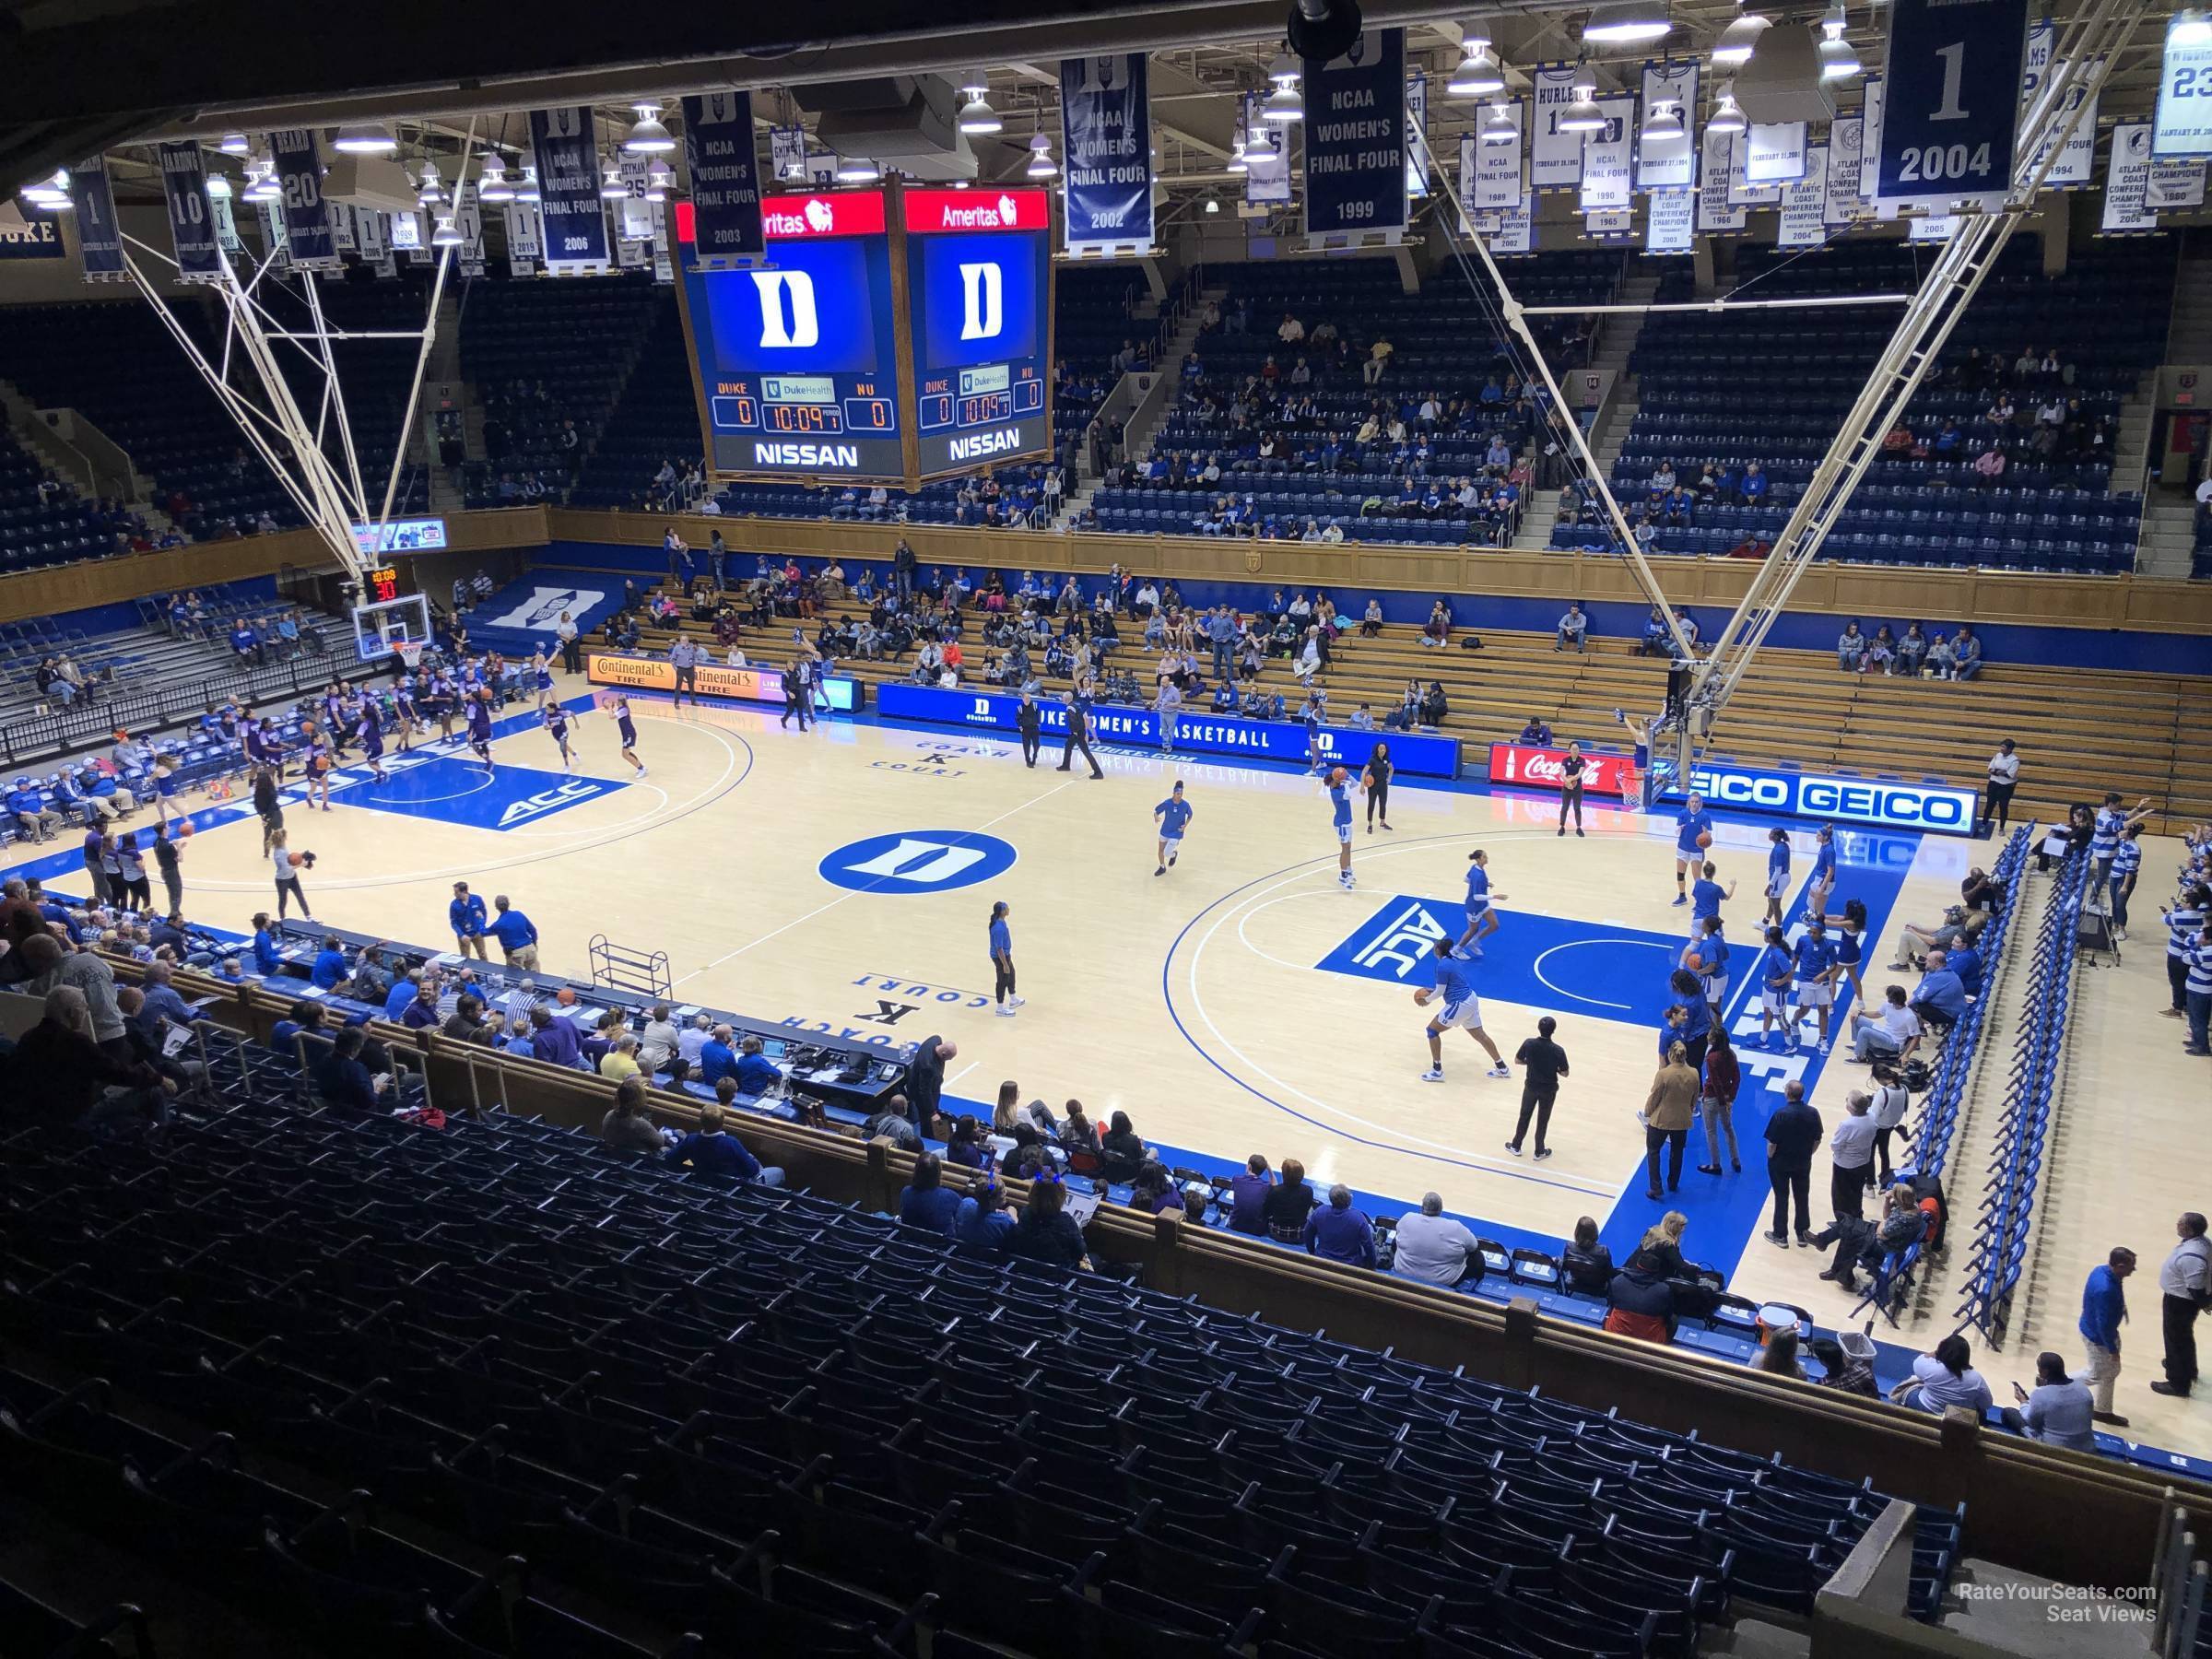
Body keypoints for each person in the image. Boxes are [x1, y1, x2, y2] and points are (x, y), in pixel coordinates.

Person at [1418, 935, 1510, 1082]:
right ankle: (1502, 1067)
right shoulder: (1452, 960)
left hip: (1460, 1003)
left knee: (1432, 1031)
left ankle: (1437, 1071)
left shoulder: (1441, 966)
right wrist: (1432, 991)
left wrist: (1426, 999)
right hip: (1471, 999)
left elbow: (1440, 991)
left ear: (1438, 950)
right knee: (1481, 1035)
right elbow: (1449, 985)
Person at [2152, 1212, 2212, 1399]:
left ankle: (2178, 1383)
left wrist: (2205, 1304)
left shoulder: (2192, 1256)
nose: (2177, 1224)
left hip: (2180, 1302)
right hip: (2181, 1300)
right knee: (2183, 1337)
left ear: (2188, 1229)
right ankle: (2185, 1368)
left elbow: (2195, 1288)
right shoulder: (2202, 1242)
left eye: (2180, 1223)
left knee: (2176, 1339)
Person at [2078, 1247, 2136, 1427]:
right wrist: (2112, 1349)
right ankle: (2054, 1381)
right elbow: (2103, 1324)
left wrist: (2120, 1307)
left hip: (2091, 1327)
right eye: (2130, 1266)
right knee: (2096, 1374)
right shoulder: (2106, 1289)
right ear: (2119, 1266)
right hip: (2098, 1337)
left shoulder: (2101, 1271)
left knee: (2110, 1371)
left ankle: (2103, 1410)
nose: (2133, 1270)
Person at [1764, 1079, 1822, 1246]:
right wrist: (1808, 1154)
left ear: (1788, 1093)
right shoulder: (1813, 1112)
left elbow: (1772, 1143)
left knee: (1781, 1197)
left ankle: (1780, 1235)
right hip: (1803, 1162)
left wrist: (1770, 1157)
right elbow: (1817, 1139)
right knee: (1802, 1196)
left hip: (1780, 1163)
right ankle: (1802, 1234)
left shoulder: (1780, 1114)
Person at [665, 1104, 783, 1184]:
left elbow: (670, 1158)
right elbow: (752, 1171)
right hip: (734, 1188)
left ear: (701, 1121)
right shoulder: (731, 1143)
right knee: (779, 1172)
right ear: (722, 1123)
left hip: (703, 1181)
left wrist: (692, 1167)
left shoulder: (691, 1140)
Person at [1641, 1041, 1699, 1200]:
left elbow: (1655, 1096)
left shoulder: (1664, 1074)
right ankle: (1673, 1183)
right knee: (1677, 1151)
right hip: (1682, 1120)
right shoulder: (1694, 1073)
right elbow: (1695, 1098)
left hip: (1661, 1120)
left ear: (1670, 1055)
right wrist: (1688, 1110)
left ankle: (1656, 1187)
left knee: (1653, 1151)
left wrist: (1647, 1112)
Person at [2012, 1352, 2097, 1453]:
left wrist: (2023, 1402)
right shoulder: (2083, 1389)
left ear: (2043, 1371)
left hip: (2054, 1449)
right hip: (2087, 1447)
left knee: (2010, 1413)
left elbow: (2031, 1422)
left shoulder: (2040, 1394)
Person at [1507, 1016, 1566, 1159]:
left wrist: (1532, 1063)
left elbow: (1517, 1060)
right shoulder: (1558, 1050)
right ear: (1553, 1031)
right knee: (1543, 1119)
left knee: (1524, 1116)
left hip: (1531, 1087)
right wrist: (1553, 1068)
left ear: (1539, 1028)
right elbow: (1565, 1073)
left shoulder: (1529, 1043)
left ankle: (1516, 1145)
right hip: (1549, 1089)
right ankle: (1539, 1151)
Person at [1392, 1193, 1480, 1288]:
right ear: (1441, 1209)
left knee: (1397, 1240)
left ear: (1422, 1208)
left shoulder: (1407, 1219)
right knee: (1478, 1255)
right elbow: (1474, 1246)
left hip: (1403, 1273)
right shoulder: (1455, 1227)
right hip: (1444, 1281)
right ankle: (1477, 1284)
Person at [1007, 1177, 1091, 1269]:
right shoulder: (1066, 1221)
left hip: (1025, 1270)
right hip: (1057, 1277)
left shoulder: (1025, 1213)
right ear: (1059, 1198)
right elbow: (1080, 1252)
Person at [1909, 1335, 1995, 1418]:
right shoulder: (1976, 1379)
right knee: (1982, 1413)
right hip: (1957, 1419)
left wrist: (1937, 1351)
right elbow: (1987, 1404)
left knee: (1910, 1388)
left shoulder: (1932, 1369)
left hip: (1926, 1408)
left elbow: (1918, 1362)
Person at [1696, 1025, 1741, 1175]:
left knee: (1711, 1132)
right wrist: (1730, 1099)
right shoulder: (1731, 1054)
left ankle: (1716, 1165)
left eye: (1709, 1034)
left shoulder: (1711, 1057)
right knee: (1729, 1129)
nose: (1707, 1036)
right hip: (1727, 1098)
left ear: (1714, 1039)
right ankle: (1736, 1160)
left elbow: (1715, 1082)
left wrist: (1723, 1102)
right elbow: (1736, 1078)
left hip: (1712, 1098)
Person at [1603, 1253, 1676, 1344]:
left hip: (1615, 1332)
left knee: (1611, 1309)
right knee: (1673, 1319)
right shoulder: (1664, 1290)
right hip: (1650, 1341)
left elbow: (1612, 1303)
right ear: (1657, 1270)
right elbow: (1667, 1316)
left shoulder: (1618, 1280)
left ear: (1637, 1264)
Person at [1829, 1091, 1878, 1220]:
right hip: (1864, 1161)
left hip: (1845, 1164)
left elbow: (1835, 1144)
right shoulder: (1872, 1116)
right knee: (1856, 1193)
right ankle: (1856, 1218)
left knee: (1840, 1196)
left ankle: (1843, 1224)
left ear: (1851, 1107)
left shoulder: (1848, 1125)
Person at [1303, 1183, 1377, 1268]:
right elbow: (1369, 1245)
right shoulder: (1358, 1217)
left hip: (1322, 1260)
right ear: (1349, 1200)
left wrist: (1312, 1252)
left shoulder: (1320, 1211)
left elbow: (1307, 1233)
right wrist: (1372, 1267)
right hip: (1349, 1265)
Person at [602, 1077, 670, 1155]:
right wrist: (663, 1133)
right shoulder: (640, 1124)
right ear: (638, 1100)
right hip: (637, 1161)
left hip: (615, 1156)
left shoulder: (609, 1115)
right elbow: (660, 1143)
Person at [899, 1152, 963, 1235]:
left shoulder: (905, 1192)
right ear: (938, 1173)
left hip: (909, 1242)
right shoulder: (950, 1196)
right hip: (941, 1246)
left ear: (916, 1172)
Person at [1458, 849, 1504, 956]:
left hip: (1483, 905)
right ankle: (1457, 950)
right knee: (1473, 930)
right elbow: (1476, 896)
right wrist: (1495, 896)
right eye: (1484, 857)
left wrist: (1484, 884)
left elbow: (1466, 879)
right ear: (1478, 859)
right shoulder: (1478, 875)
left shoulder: (1475, 868)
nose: (1487, 858)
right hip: (1474, 907)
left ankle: (1474, 943)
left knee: (1494, 925)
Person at [1671, 793, 1712, 907]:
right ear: (1689, 802)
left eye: (1696, 802)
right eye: (1692, 801)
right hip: (1682, 848)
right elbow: (1676, 831)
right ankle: (1682, 896)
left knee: (1697, 878)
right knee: (1680, 874)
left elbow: (1708, 836)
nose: (1694, 804)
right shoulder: (1683, 814)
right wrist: (1679, 829)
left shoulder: (1705, 816)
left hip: (1696, 850)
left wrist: (1706, 834)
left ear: (1700, 803)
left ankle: (1699, 901)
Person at [1263, 1159, 1318, 1240]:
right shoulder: (1308, 1191)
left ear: (1283, 1175)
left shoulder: (1275, 1191)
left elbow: (1266, 1211)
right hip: (1299, 1235)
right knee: (1314, 1208)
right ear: (1302, 1175)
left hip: (1276, 1233)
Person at [1054, 688, 1102, 779]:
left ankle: (1098, 772)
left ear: (1066, 699)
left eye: (1063, 698)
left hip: (1077, 733)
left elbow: (1074, 721)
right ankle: (1066, 765)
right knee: (1068, 746)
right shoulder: (1075, 705)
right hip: (1079, 731)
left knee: (1086, 752)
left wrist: (1075, 732)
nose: (1062, 699)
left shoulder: (1070, 708)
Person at [1324, 765, 1357, 889]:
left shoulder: (1341, 785)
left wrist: (1346, 774)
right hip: (1341, 824)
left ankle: (1348, 871)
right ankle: (1343, 876)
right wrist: (1345, 782)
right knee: (1345, 849)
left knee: (1348, 848)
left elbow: (1355, 783)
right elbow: (1348, 795)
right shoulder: (1335, 792)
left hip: (1347, 822)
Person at [1562, 1216, 1613, 1295]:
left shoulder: (1569, 1247)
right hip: (1598, 1285)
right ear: (1595, 1232)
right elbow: (1609, 1273)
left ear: (1577, 1232)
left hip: (1576, 1280)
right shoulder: (1603, 1251)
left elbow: (1565, 1268)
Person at [986, 900, 1020, 1018]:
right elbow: (999, 948)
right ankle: (1000, 1008)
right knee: (1003, 980)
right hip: (1000, 957)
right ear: (1002, 911)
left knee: (1011, 974)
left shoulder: (1001, 922)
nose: (1008, 909)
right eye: (1006, 908)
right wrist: (1005, 964)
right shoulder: (998, 928)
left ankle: (1013, 999)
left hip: (1005, 955)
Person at [488, 895, 539, 971]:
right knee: (536, 976)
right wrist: (534, 944)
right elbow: (533, 930)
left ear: (496, 907)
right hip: (530, 948)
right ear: (509, 904)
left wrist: (480, 920)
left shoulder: (498, 924)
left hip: (516, 953)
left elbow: (483, 932)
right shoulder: (519, 914)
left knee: (514, 977)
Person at [1153, 781, 1193, 877]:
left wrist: (1185, 826)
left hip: (1176, 832)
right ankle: (1162, 867)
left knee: (1167, 853)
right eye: (1178, 794)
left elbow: (1190, 815)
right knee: (1160, 851)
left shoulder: (1185, 805)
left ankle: (1173, 854)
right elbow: (1156, 811)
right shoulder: (1167, 803)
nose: (1180, 796)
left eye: (1181, 794)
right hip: (1165, 830)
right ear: (1174, 793)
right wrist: (1156, 817)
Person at [269, 830, 311, 920]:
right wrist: (301, 864)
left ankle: (309, 917)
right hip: (282, 880)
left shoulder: (283, 847)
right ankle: (282, 919)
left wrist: (302, 855)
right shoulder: (279, 854)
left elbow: (290, 860)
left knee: (300, 896)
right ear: (282, 839)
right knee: (283, 900)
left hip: (292, 877)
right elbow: (286, 869)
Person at [1229, 1155, 1273, 1236]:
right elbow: (1275, 1186)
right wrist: (1269, 1170)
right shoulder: (1266, 1186)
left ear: (1249, 1167)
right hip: (1257, 1230)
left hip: (1235, 1225)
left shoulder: (1237, 1179)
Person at [1984, 739, 2020, 832]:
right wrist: (2000, 771)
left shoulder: (2014, 760)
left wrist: (1997, 771)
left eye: (2003, 747)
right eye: (2001, 746)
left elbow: (2010, 775)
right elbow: (1990, 769)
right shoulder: (1997, 755)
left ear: (2010, 749)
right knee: (1989, 805)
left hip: (2006, 787)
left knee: (2003, 806)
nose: (2001, 749)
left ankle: (2001, 828)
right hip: (1993, 783)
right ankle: (1984, 824)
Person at [1554, 740, 1587, 838]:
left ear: (1579, 750)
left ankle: (1579, 827)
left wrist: (1570, 780)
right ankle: (1562, 827)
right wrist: (1566, 781)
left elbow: (1579, 774)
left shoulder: (1582, 760)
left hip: (1578, 788)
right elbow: (1561, 772)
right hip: (1566, 788)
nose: (1575, 751)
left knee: (1577, 808)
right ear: (1569, 750)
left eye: (1577, 749)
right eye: (1573, 749)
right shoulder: (1565, 760)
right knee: (1565, 807)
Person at [1362, 743, 1394, 834]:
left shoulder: (1386, 759)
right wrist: (1362, 786)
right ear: (1377, 749)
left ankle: (1382, 823)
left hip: (1383, 784)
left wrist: (1389, 778)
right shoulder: (1372, 760)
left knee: (1383, 804)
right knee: (1371, 804)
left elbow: (1391, 769)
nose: (1382, 750)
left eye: (1384, 749)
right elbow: (1364, 772)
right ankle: (1370, 824)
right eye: (1381, 748)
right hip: (1373, 785)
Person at [1017, 693, 1042, 768]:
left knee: (1037, 745)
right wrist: (1020, 726)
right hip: (1025, 729)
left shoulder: (1035, 705)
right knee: (1026, 746)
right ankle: (1028, 761)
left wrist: (1038, 723)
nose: (1027, 700)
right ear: (1023, 699)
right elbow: (1017, 718)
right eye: (1026, 698)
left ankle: (1034, 757)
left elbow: (1039, 714)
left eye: (1028, 698)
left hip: (1034, 728)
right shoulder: (1020, 708)